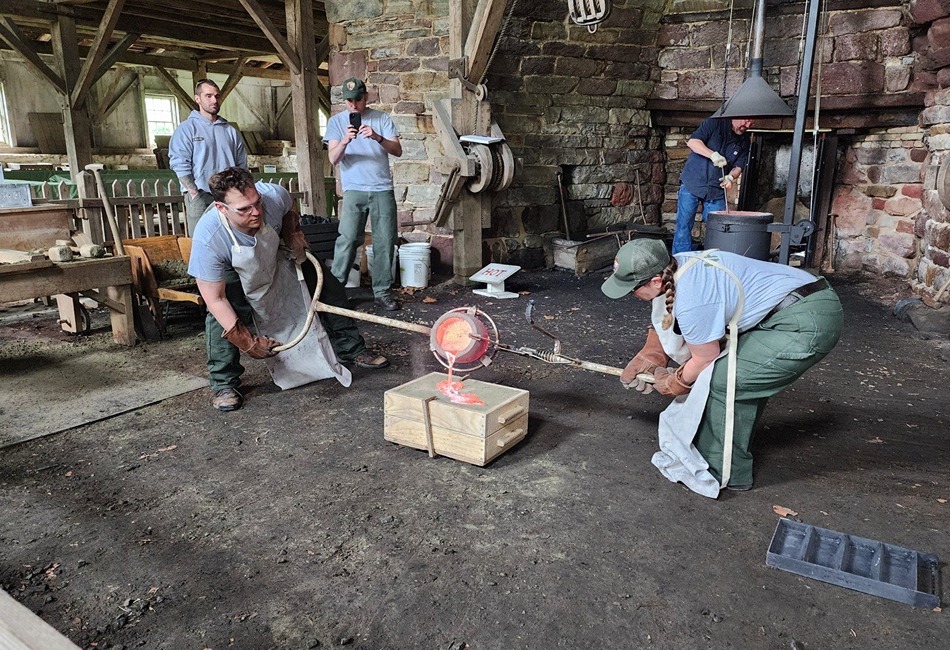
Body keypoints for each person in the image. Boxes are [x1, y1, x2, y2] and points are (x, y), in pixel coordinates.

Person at [602, 239, 843, 497]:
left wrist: (674, 382)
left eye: (631, 289)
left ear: (656, 282)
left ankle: (723, 471)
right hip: (789, 303)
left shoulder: (693, 298)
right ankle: (722, 442)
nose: (630, 295)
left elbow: (705, 357)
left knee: (723, 379)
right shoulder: (676, 266)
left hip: (806, 319)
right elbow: (670, 313)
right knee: (731, 373)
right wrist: (654, 351)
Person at [187, 167, 389, 412]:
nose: (256, 212)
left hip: (274, 247)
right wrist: (248, 342)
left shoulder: (272, 196)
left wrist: (293, 231)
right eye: (244, 209)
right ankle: (224, 382)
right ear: (221, 208)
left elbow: (288, 207)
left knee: (327, 284)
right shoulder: (209, 238)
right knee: (226, 310)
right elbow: (215, 299)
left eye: (257, 203)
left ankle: (352, 348)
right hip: (233, 263)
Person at [324, 77, 403, 311]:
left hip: (381, 189)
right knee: (347, 239)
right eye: (349, 101)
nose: (354, 105)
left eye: (358, 99)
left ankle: (383, 291)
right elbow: (333, 158)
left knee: (385, 242)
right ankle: (336, 292)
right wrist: (346, 140)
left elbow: (397, 150)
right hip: (354, 190)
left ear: (366, 97)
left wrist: (377, 137)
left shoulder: (382, 119)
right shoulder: (336, 122)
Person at [169, 79, 248, 236]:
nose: (214, 100)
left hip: (229, 196)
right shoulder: (187, 129)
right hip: (200, 196)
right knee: (202, 239)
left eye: (217, 96)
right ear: (197, 99)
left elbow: (242, 166)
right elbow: (179, 164)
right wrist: (194, 193)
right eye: (208, 96)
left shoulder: (230, 131)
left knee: (232, 238)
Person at [673, 117, 754, 254]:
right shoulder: (714, 123)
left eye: (752, 122)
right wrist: (713, 155)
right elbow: (693, 142)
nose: (748, 125)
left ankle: (712, 260)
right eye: (746, 121)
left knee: (717, 227)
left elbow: (739, 166)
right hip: (693, 181)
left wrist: (730, 177)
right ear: (736, 116)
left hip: (716, 189)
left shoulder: (745, 141)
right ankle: (681, 260)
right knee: (683, 225)